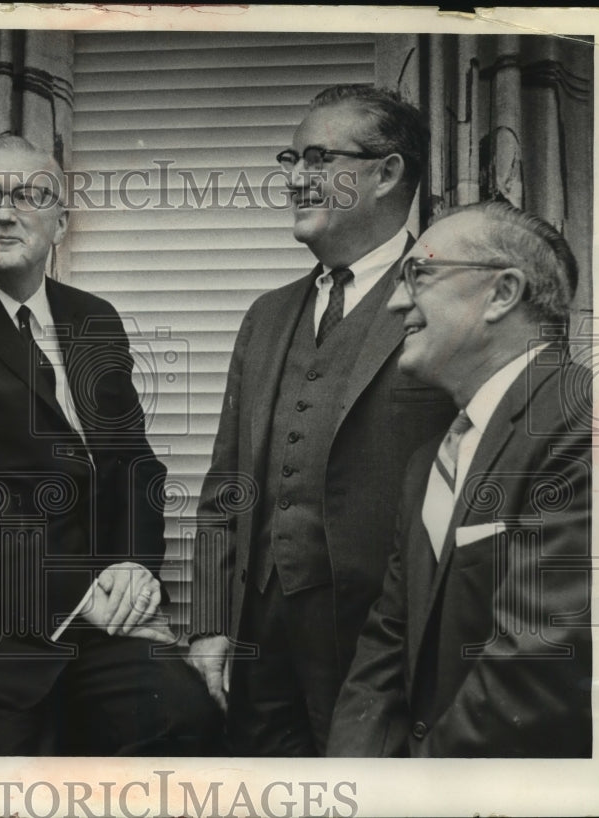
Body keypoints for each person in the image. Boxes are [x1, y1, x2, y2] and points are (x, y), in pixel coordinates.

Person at [0, 134, 220, 755]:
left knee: (186, 721)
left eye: (28, 195)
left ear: (61, 221)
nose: (3, 211)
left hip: (106, 617)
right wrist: (77, 593)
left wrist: (132, 566)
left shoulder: (92, 318)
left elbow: (134, 464)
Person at [186, 85, 456, 756]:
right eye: (291, 159)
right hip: (259, 650)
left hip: (389, 648)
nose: (294, 180)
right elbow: (227, 484)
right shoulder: (267, 315)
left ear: (388, 172)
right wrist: (211, 625)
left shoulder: (454, 296)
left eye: (318, 159)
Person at [327, 203, 592, 757]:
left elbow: (538, 661)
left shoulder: (583, 421)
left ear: (502, 293)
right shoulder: (428, 462)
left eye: (418, 275)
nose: (397, 302)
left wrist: (416, 794)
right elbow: (385, 646)